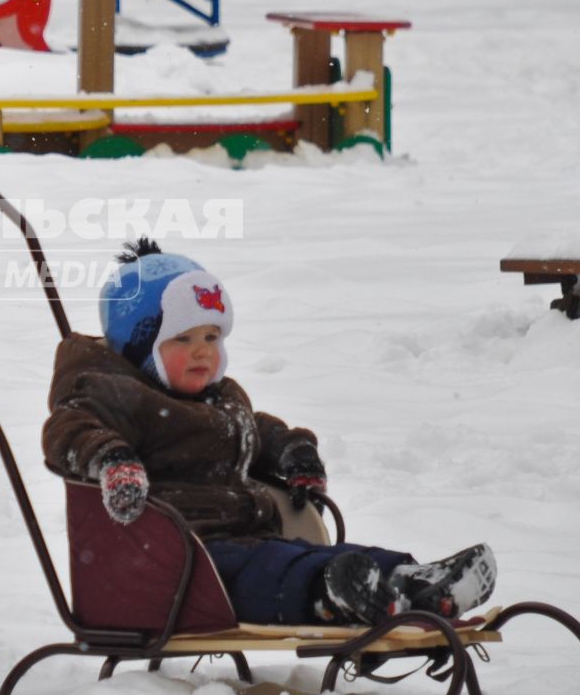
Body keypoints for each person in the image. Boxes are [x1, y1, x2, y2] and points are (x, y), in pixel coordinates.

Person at [42, 241, 496, 626]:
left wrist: (293, 452)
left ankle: (410, 582)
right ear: (141, 346)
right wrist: (113, 461)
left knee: (303, 556)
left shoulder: (217, 399)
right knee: (275, 570)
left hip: (244, 536)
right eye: (182, 340)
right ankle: (331, 596)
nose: (203, 353)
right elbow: (71, 429)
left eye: (211, 337)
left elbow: (254, 431)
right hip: (180, 563)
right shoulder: (114, 394)